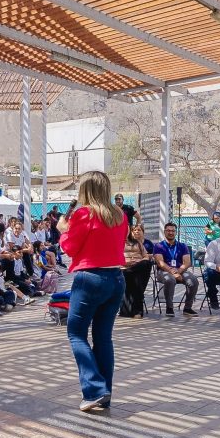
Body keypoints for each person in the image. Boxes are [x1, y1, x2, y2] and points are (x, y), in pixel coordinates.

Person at [57, 170, 128, 413]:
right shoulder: (119, 215)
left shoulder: (84, 214)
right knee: (103, 337)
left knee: (76, 333)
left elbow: (69, 247)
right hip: (116, 278)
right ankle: (104, 392)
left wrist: (62, 230)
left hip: (90, 279)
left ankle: (95, 389)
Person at [152, 222, 197, 317]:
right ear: (164, 232)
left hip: (181, 270)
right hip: (164, 271)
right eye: (168, 230)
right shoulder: (158, 246)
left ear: (176, 232)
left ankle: (187, 308)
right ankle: (169, 307)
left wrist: (178, 272)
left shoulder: (182, 246)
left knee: (193, 280)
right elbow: (160, 262)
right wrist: (172, 272)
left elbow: (187, 262)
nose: (171, 233)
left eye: (173, 231)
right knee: (170, 280)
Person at [120, 222, 152, 319]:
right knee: (138, 283)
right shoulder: (118, 242)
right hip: (124, 269)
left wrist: (140, 261)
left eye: (127, 230)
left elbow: (146, 255)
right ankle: (137, 311)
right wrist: (126, 263)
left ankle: (136, 311)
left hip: (138, 267)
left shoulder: (137, 243)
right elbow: (114, 259)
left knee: (146, 263)